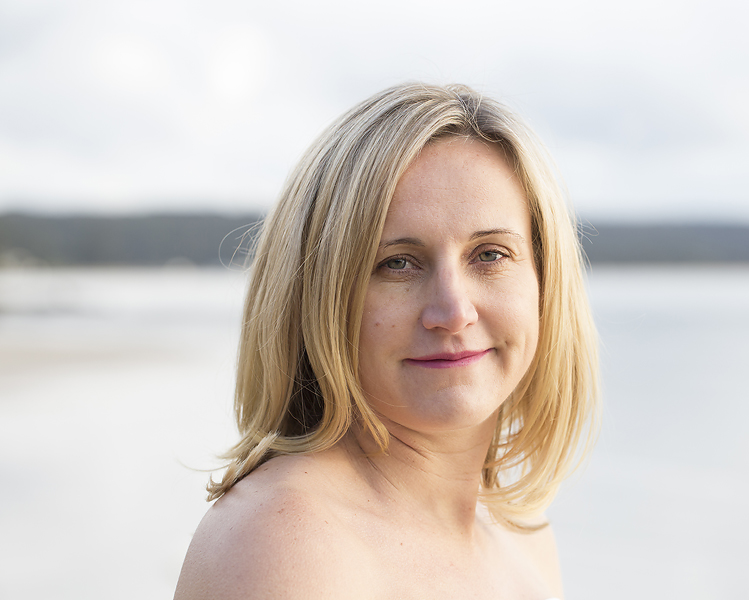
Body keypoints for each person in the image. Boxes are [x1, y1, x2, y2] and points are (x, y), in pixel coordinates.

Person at [174, 82, 599, 599]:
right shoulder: (285, 540)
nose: (453, 313)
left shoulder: (522, 536)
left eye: (490, 255)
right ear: (320, 296)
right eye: (397, 263)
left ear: (545, 282)